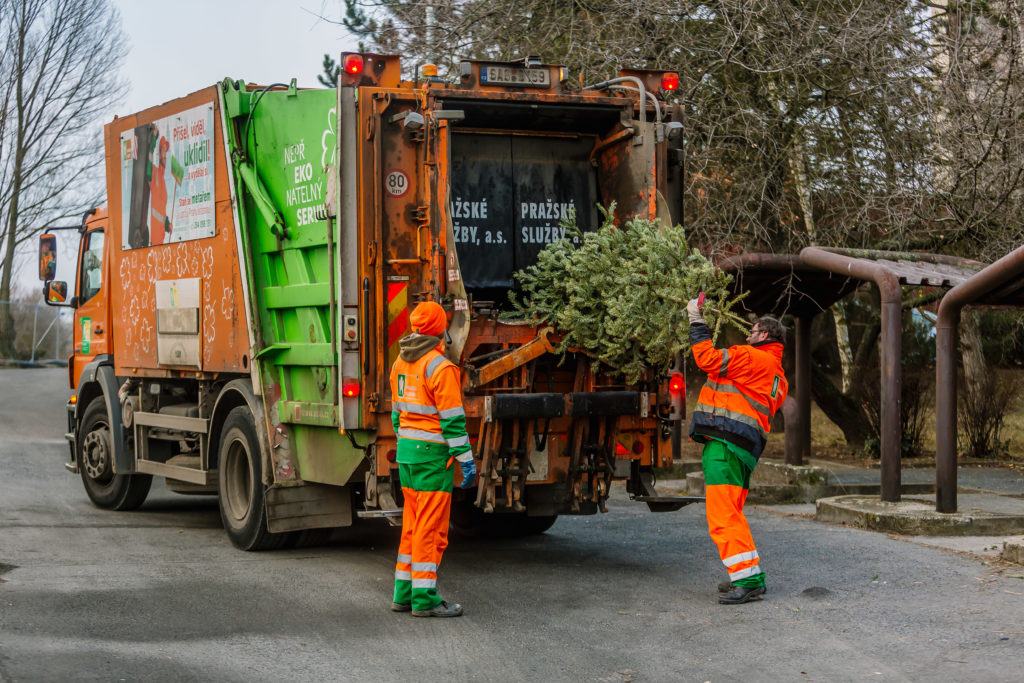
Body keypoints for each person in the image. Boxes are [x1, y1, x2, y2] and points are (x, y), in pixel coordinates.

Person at [686, 299, 789, 605]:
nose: (747, 337)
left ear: (766, 336)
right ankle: (750, 576)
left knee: (723, 516)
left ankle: (745, 580)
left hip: (726, 445)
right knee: (733, 512)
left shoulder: (752, 358)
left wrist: (696, 319)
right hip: (742, 449)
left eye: (753, 332)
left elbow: (707, 359)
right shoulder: (778, 375)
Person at [389, 301, 477, 617]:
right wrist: (466, 459)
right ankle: (424, 599)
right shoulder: (440, 368)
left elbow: (397, 415)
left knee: (412, 526)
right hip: (432, 461)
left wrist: (408, 446)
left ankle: (403, 594)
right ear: (440, 330)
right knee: (430, 530)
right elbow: (453, 421)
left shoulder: (400, 363)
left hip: (408, 458)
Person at [149, 136, 172, 245]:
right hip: (155, 236)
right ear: (158, 154)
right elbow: (148, 160)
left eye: (166, 153)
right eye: (163, 151)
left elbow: (161, 211)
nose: (164, 156)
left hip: (160, 235)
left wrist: (167, 224)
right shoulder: (153, 172)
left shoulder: (162, 179)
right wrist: (153, 138)